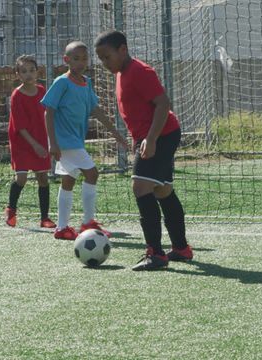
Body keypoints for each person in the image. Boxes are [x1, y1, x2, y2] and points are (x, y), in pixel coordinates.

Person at [94, 30, 193, 271]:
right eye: (101, 59)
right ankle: (181, 248)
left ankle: (155, 253)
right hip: (153, 136)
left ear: (123, 50)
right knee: (162, 190)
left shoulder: (139, 71)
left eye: (107, 57)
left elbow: (163, 103)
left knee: (140, 187)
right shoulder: (121, 73)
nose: (104, 63)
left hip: (161, 135)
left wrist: (151, 138)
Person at [42, 41, 128, 240]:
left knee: (68, 181)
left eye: (84, 58)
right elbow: (49, 111)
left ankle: (62, 227)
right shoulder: (61, 82)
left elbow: (95, 109)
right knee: (92, 173)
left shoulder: (86, 82)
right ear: (66, 60)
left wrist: (115, 133)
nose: (81, 63)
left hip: (75, 140)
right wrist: (52, 142)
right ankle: (88, 222)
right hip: (65, 141)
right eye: (76, 59)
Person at [5, 55, 56, 229]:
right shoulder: (16, 96)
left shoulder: (42, 91)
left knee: (43, 178)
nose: (29, 74)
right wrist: (34, 145)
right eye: (24, 71)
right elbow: (20, 126)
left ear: (37, 72)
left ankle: (45, 218)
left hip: (40, 139)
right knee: (21, 178)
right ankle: (11, 209)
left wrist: (49, 140)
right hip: (22, 141)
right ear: (18, 74)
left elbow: (49, 114)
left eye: (32, 70)